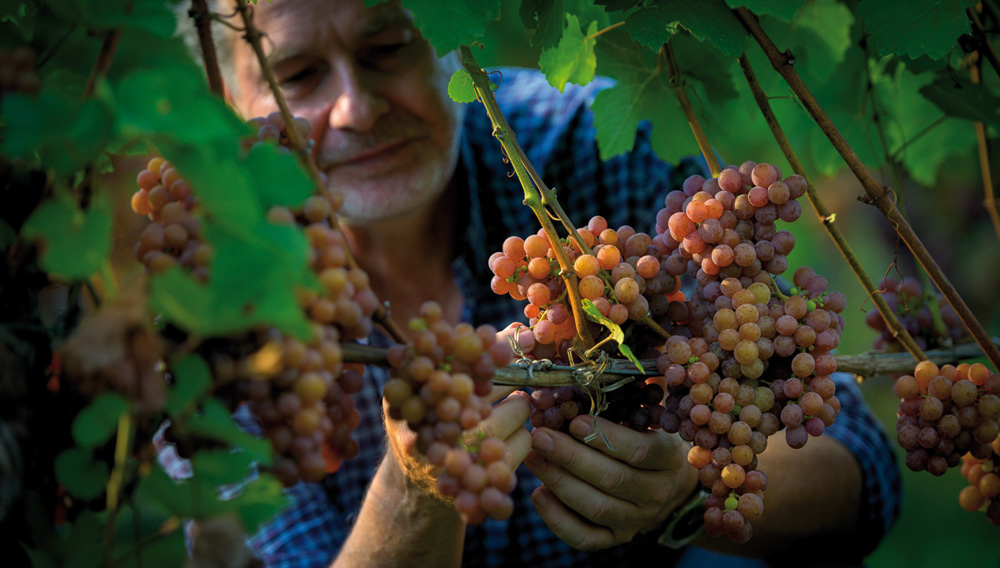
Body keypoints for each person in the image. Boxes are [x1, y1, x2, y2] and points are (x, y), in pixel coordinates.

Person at [165, 0, 901, 566]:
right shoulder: (205, 303)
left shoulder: (585, 151)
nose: (356, 107)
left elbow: (859, 469)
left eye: (387, 49)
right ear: (230, 101)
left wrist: (690, 489)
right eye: (297, 76)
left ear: (454, 43)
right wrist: (414, 492)